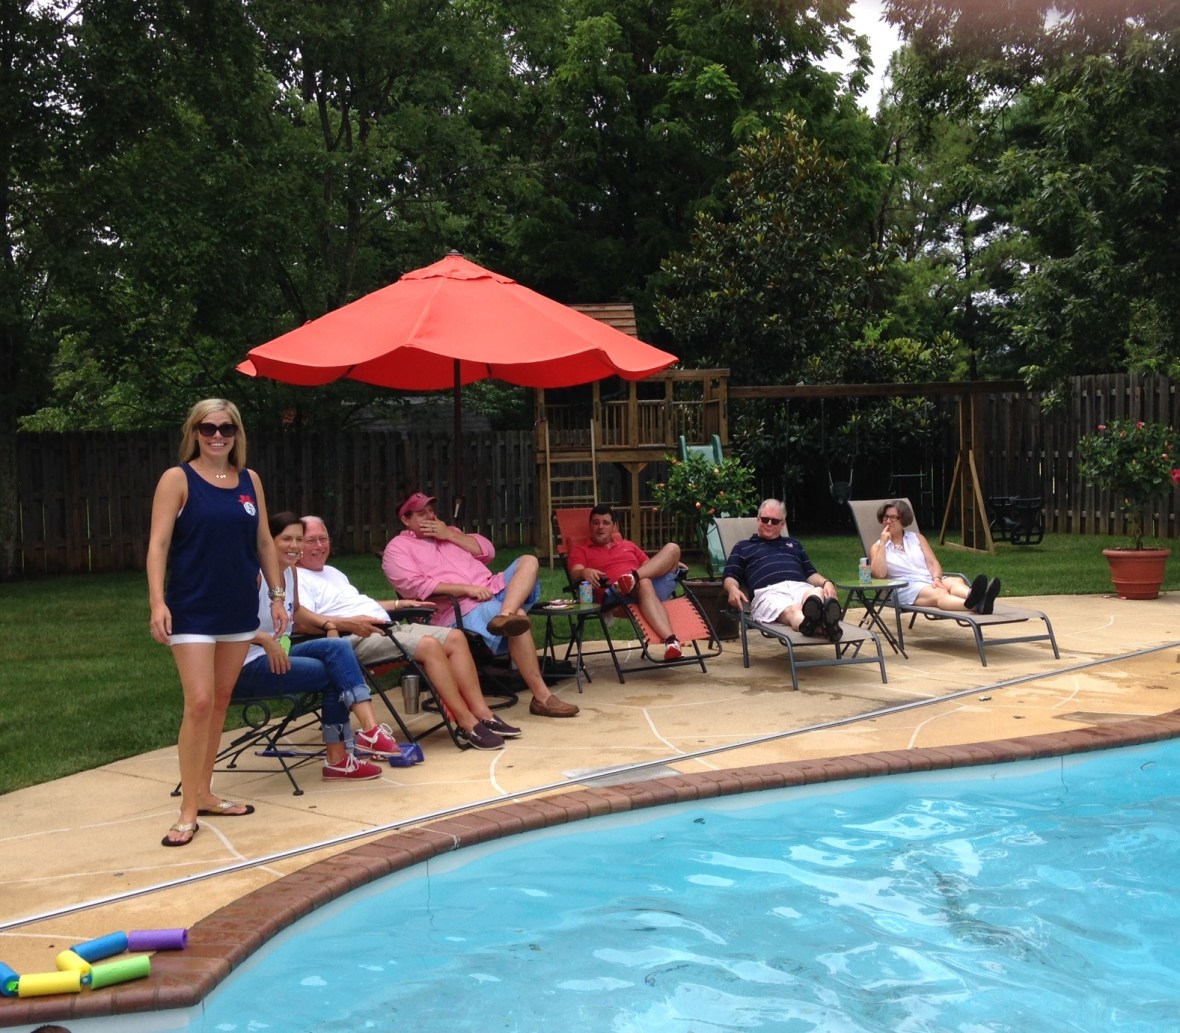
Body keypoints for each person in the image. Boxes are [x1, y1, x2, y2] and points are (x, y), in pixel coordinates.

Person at [147, 399, 287, 847]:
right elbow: (158, 545)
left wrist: (278, 595)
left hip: (237, 609)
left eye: (225, 427)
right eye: (208, 428)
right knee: (200, 703)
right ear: (195, 432)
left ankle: (206, 793)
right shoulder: (177, 479)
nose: (217, 435)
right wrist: (156, 603)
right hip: (192, 608)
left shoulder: (250, 481)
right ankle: (188, 808)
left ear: (236, 433)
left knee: (222, 699)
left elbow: (265, 541)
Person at [296, 514, 517, 750]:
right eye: (311, 541)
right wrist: (349, 623)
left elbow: (360, 603)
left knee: (455, 637)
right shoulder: (297, 578)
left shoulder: (332, 572)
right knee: (429, 645)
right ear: (298, 544)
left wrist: (401, 604)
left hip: (386, 627)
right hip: (351, 639)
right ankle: (466, 722)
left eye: (324, 538)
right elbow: (304, 624)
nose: (320, 546)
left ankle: (483, 714)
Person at [236, 512, 404, 781]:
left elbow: (299, 612)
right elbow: (227, 622)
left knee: (337, 650)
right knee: (333, 673)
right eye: (287, 539)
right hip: (245, 663)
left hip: (281, 653)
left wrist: (331, 624)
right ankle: (339, 759)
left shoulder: (289, 572)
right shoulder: (254, 575)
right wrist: (266, 640)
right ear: (269, 540)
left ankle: (370, 731)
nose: (295, 546)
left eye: (299, 540)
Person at [382, 492, 579, 718]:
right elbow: (414, 586)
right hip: (459, 608)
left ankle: (505, 615)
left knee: (529, 561)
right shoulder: (397, 548)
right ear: (406, 520)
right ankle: (542, 697)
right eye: (421, 514)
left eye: (431, 511)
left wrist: (450, 535)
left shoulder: (450, 533)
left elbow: (487, 551)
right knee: (520, 615)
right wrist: (466, 589)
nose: (430, 516)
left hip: (491, 588)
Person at [566, 503, 686, 661]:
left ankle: (632, 578)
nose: (600, 527)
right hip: (615, 594)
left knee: (673, 548)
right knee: (644, 583)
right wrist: (584, 572)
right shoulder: (581, 550)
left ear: (613, 527)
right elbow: (575, 573)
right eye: (596, 522)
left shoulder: (628, 545)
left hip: (647, 588)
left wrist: (671, 563)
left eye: (605, 523)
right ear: (590, 526)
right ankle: (671, 640)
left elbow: (648, 566)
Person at [721, 498, 843, 640]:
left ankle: (815, 621)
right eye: (765, 519)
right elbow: (730, 575)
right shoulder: (743, 547)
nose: (768, 524)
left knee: (817, 592)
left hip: (800, 588)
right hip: (769, 593)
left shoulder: (793, 544)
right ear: (758, 519)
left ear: (782, 524)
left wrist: (826, 582)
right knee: (794, 610)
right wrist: (732, 589)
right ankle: (824, 626)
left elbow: (810, 573)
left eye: (774, 521)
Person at [869, 499, 1001, 613]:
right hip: (905, 586)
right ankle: (976, 606)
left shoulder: (917, 538)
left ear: (903, 520)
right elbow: (879, 574)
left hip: (928, 579)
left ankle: (974, 596)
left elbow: (933, 563)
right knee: (939, 593)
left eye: (893, 517)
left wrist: (937, 578)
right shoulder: (878, 547)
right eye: (885, 517)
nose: (888, 521)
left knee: (955, 581)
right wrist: (883, 544)